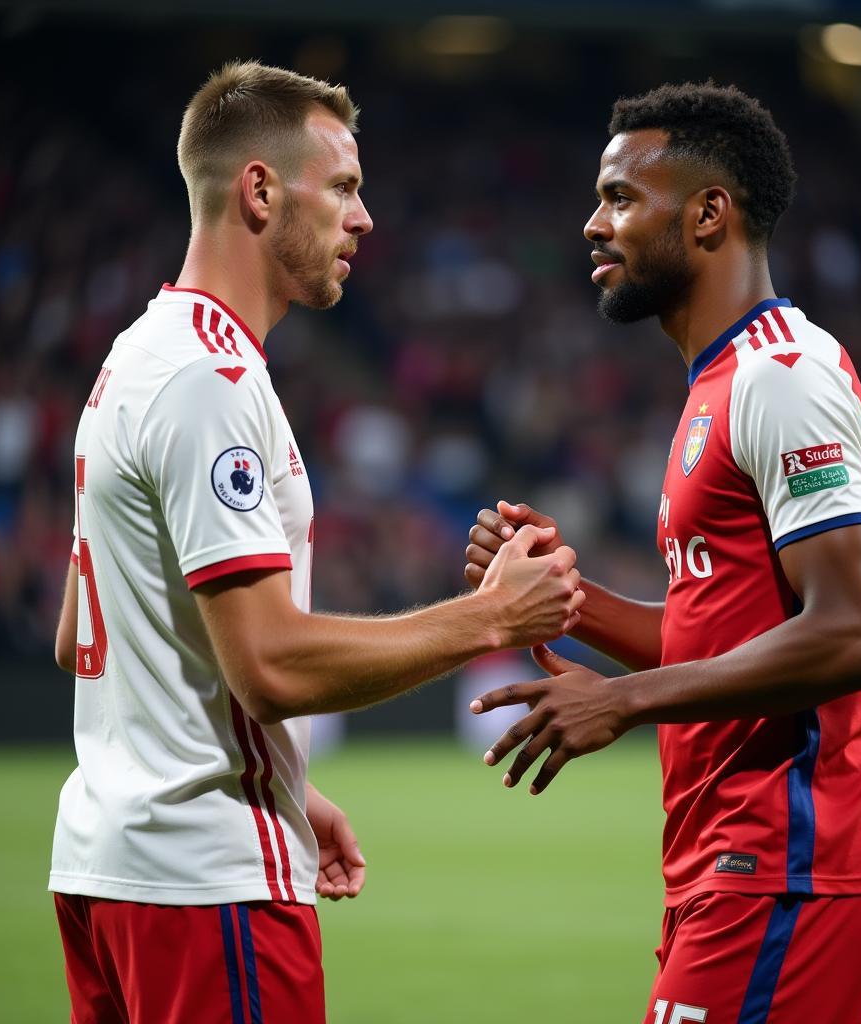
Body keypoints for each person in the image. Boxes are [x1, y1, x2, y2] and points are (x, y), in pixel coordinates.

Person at [50, 60, 584, 1024]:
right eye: (342, 186)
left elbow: (75, 636)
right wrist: (488, 616)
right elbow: (268, 667)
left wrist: (286, 780)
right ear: (259, 189)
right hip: (207, 885)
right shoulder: (207, 382)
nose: (364, 216)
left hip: (110, 868)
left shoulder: (137, 355)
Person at [464, 83, 861, 1023]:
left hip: (791, 862)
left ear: (710, 214)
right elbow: (723, 637)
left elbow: (849, 636)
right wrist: (566, 598)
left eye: (622, 197)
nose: (593, 224)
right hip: (733, 864)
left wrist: (620, 703)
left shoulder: (782, 378)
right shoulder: (720, 382)